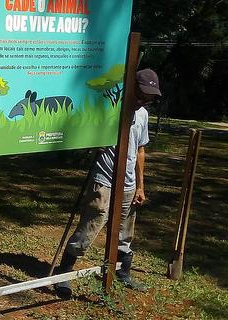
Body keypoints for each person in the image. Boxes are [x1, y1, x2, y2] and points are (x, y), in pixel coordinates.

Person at [54, 69, 162, 296]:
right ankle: (64, 272)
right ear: (132, 87)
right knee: (91, 226)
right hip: (104, 180)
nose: (144, 100)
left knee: (125, 231)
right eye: (142, 94)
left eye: (149, 96)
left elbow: (140, 149)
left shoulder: (142, 114)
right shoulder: (109, 108)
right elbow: (82, 133)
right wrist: (93, 143)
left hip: (129, 184)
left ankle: (122, 271)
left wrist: (141, 186)